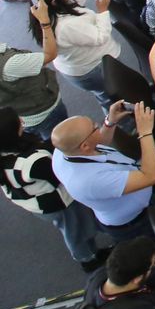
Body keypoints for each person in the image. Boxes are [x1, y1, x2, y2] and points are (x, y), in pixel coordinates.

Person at [0, 106, 101, 270]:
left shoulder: (7, 151)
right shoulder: (32, 163)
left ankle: (90, 252)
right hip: (55, 203)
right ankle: (87, 259)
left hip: (31, 199)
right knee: (75, 230)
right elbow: (60, 176)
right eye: (18, 121)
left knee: (75, 226)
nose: (23, 121)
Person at [51, 101, 155, 239]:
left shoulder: (65, 150)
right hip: (135, 221)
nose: (98, 125)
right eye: (94, 127)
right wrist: (145, 132)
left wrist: (110, 122)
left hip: (136, 196)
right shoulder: (88, 181)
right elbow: (150, 176)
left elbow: (97, 144)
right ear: (84, 146)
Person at [28, 0, 118, 109]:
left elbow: (70, 6)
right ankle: (121, 119)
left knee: (104, 96)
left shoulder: (47, 13)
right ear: (54, 2)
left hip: (76, 67)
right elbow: (100, 37)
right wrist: (102, 11)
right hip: (92, 69)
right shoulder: (66, 27)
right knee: (112, 96)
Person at [2, 0, 66, 135]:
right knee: (64, 137)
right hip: (44, 112)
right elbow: (50, 54)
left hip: (23, 115)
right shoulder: (9, 65)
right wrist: (44, 21)